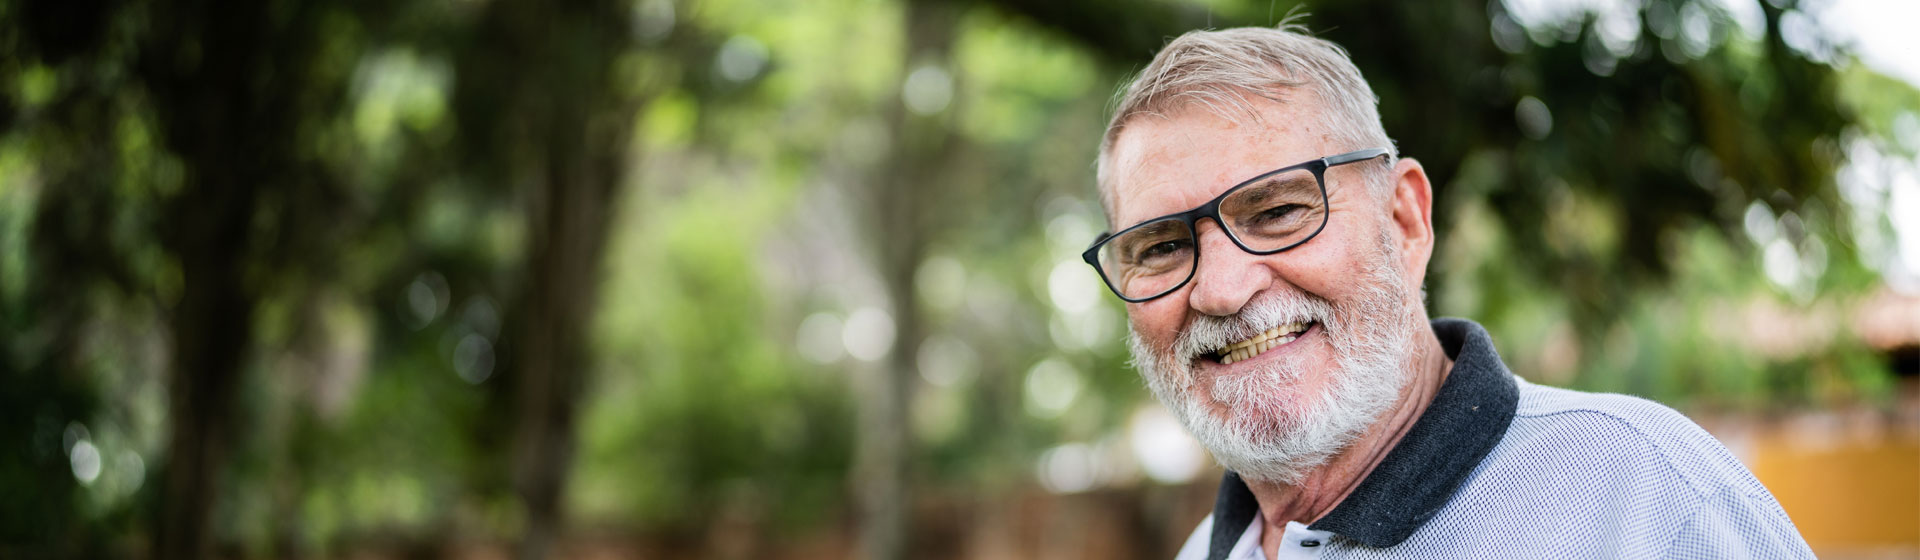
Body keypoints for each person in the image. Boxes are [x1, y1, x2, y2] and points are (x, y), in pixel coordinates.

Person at [1082, 23, 1814, 559]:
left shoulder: (1648, 499)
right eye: (1162, 246)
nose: (1220, 288)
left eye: (1276, 212)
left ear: (1405, 220)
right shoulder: (1206, 550)